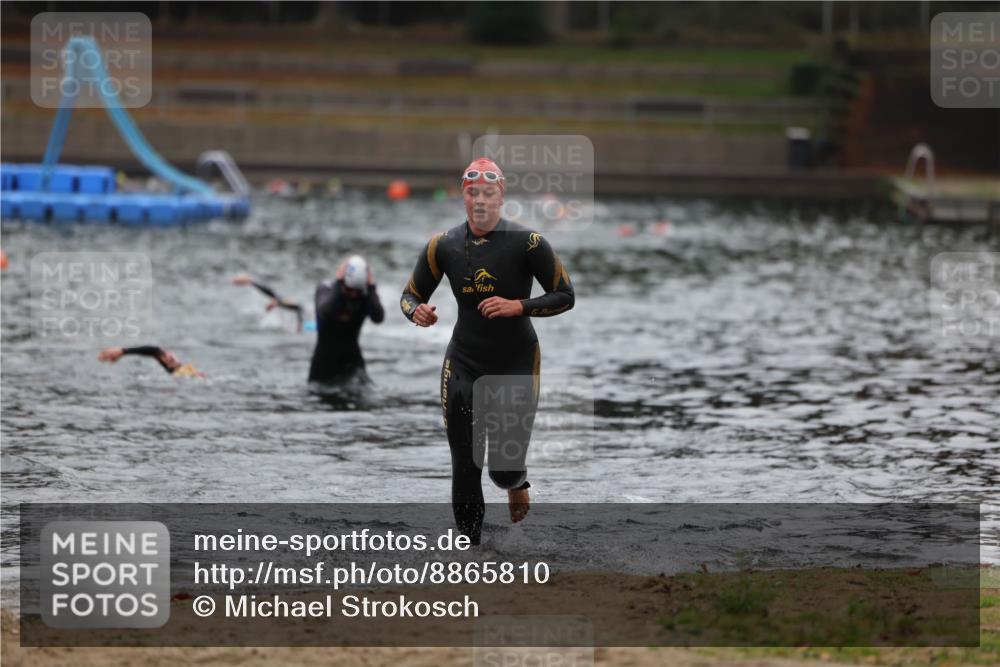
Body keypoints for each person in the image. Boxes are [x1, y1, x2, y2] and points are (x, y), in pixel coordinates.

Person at [400, 157, 575, 545]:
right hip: (464, 360)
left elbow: (566, 295)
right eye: (472, 192)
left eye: (488, 193)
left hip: (515, 361)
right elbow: (410, 295)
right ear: (463, 196)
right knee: (465, 464)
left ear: (501, 196)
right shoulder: (442, 245)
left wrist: (519, 305)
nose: (479, 201)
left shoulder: (529, 243)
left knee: (503, 469)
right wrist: (418, 312)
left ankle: (516, 482)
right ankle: (469, 552)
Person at [232, 274, 305, 331]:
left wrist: (299, 327)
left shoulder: (277, 300)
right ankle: (246, 280)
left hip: (282, 301)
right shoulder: (274, 298)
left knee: (277, 298)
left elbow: (298, 308)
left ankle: (247, 280)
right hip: (279, 300)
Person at [98, 345, 205, 377]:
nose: (169, 355)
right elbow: (156, 352)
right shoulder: (182, 372)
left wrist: (123, 351)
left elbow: (156, 351)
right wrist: (123, 352)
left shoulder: (183, 372)